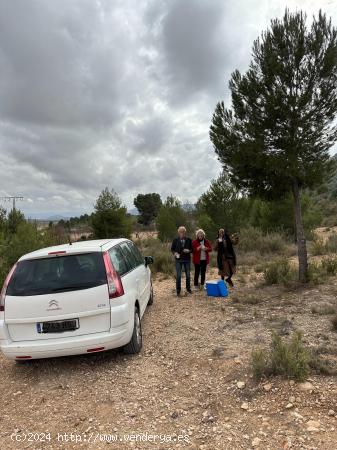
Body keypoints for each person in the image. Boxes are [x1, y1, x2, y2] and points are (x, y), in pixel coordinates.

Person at [171, 226, 193, 296]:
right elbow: (172, 249)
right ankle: (178, 290)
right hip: (178, 260)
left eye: (183, 231)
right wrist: (174, 253)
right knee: (178, 275)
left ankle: (188, 289)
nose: (182, 233)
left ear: (185, 232)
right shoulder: (175, 240)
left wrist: (189, 251)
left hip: (187, 259)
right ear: (178, 232)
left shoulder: (189, 240)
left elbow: (192, 249)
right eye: (180, 232)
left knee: (188, 275)